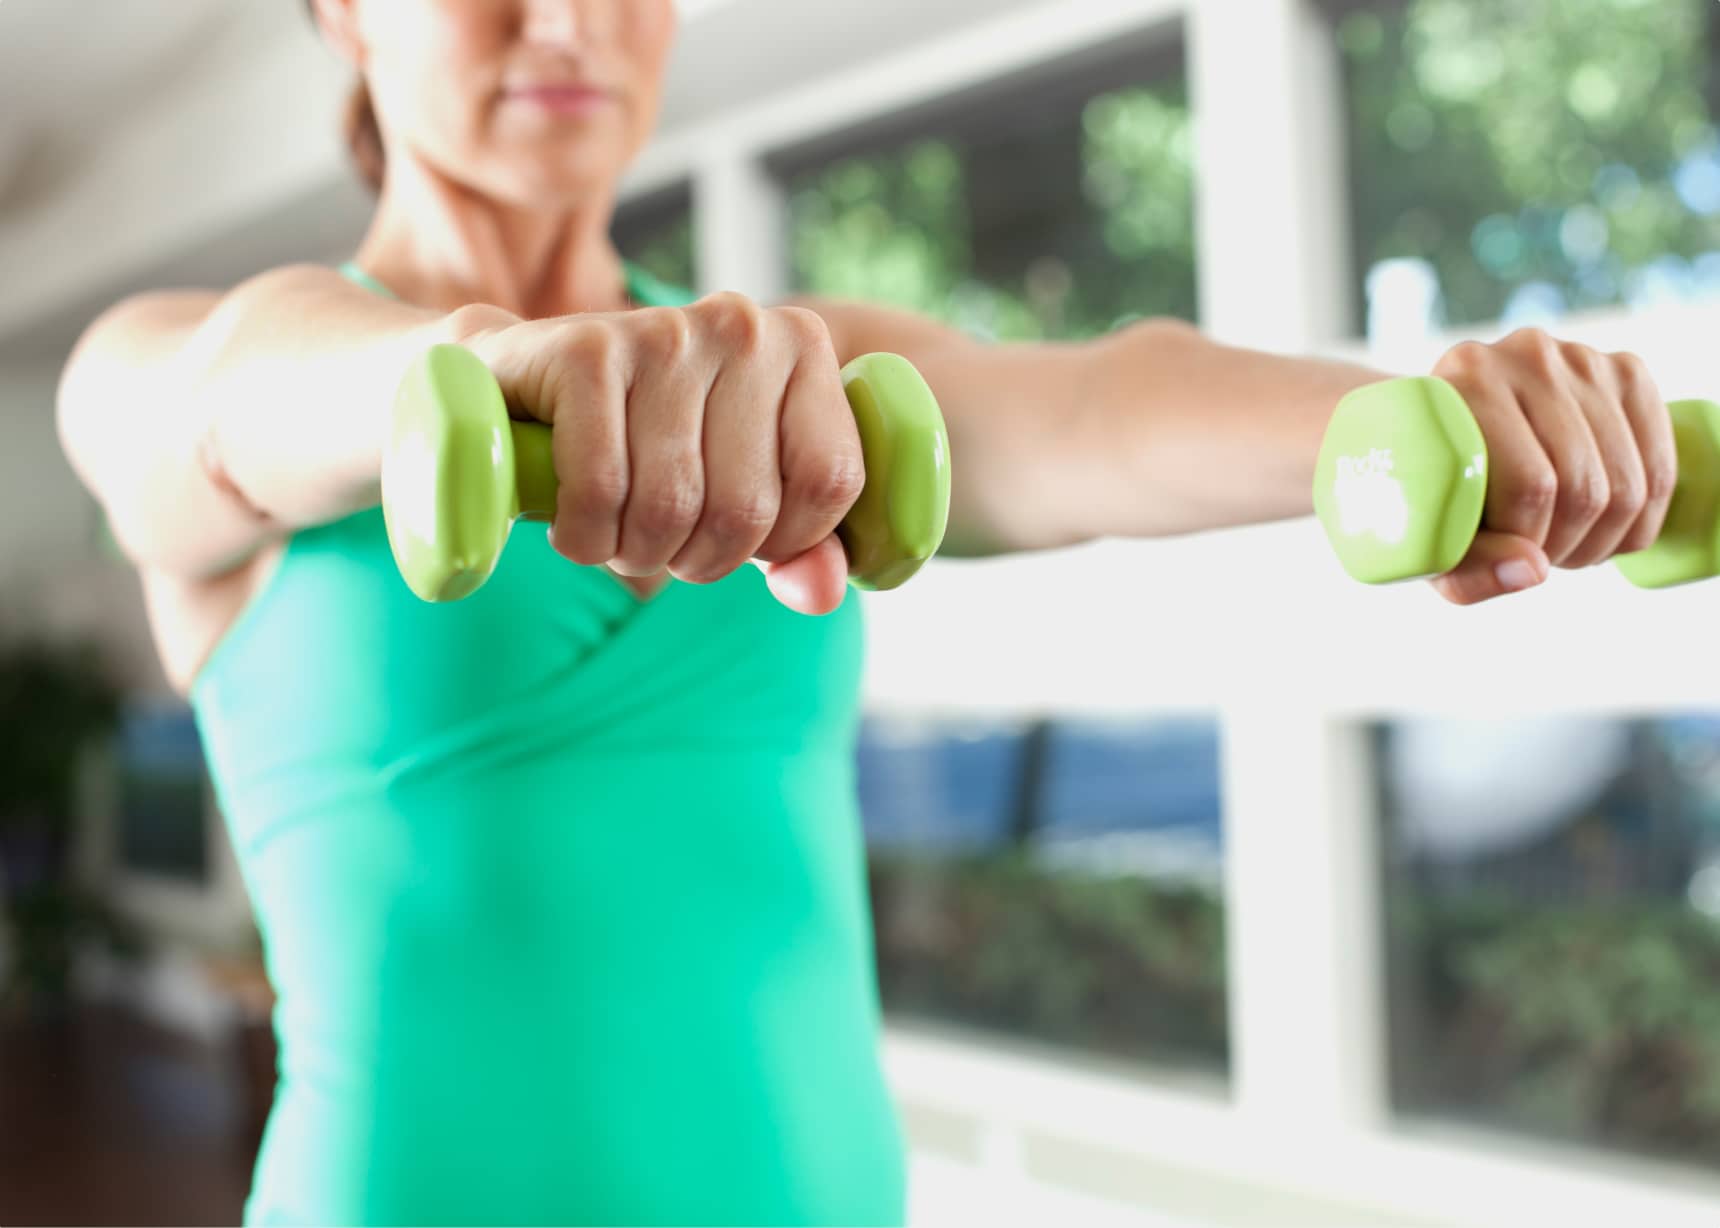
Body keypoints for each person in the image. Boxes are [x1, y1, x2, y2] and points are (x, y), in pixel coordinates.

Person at [55, 1, 1675, 1223]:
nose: (564, 22)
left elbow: (1096, 413)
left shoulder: (800, 380)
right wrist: (470, 374)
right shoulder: (190, 357)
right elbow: (218, 409)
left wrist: (1422, 425)